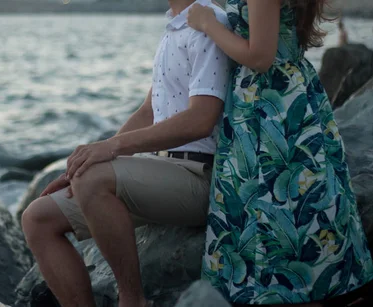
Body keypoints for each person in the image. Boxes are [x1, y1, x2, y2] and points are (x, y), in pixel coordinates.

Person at [21, 1, 231, 306]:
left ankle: (132, 299)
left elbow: (201, 120)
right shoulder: (175, 25)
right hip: (160, 172)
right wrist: (87, 164)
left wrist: (111, 149)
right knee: (37, 218)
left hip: (200, 177)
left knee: (93, 180)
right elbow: (149, 111)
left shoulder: (208, 23)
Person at [187, 1, 373, 306]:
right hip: (277, 96)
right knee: (287, 204)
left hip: (272, 103)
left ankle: (281, 292)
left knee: (277, 204)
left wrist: (209, 24)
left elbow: (260, 57)